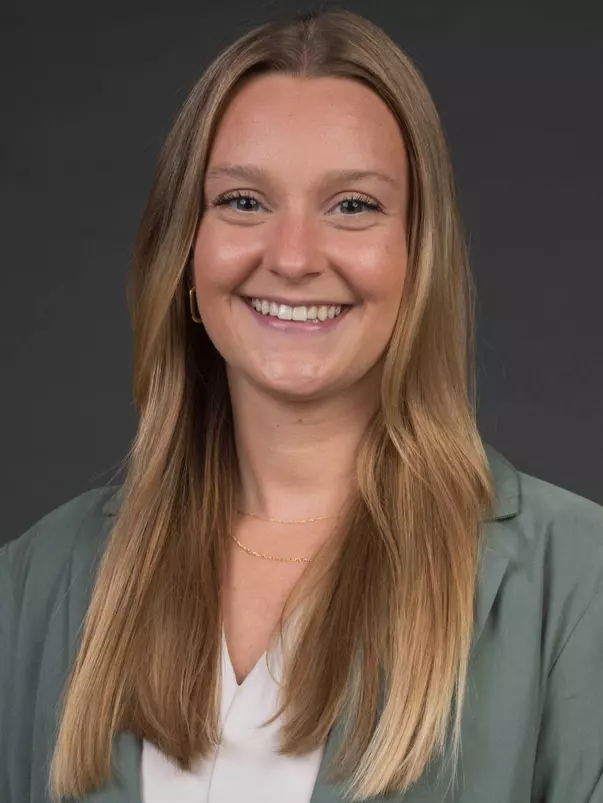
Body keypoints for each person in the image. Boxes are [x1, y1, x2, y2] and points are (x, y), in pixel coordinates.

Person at [1, 8, 603, 803]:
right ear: (184, 249)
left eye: (352, 205)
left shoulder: (576, 582)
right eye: (243, 201)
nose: (291, 257)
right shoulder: (35, 582)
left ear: (417, 256)